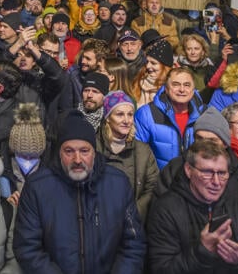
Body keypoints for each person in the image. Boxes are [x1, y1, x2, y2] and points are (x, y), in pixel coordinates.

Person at [13, 111, 145, 273]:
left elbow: (133, 244)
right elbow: (27, 248)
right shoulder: (37, 187)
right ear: (59, 153)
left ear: (94, 153)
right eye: (69, 151)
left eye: (84, 151)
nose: (77, 159)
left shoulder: (117, 184)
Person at [146, 140, 238, 273]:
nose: (216, 182)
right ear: (189, 170)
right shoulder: (166, 210)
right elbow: (161, 269)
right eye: (207, 172)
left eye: (222, 173)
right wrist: (202, 252)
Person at [97, 90, 158, 219]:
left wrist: (134, 212)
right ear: (107, 118)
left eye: (130, 115)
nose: (126, 120)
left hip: (133, 221)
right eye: (119, 114)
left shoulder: (143, 151)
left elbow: (152, 187)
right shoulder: (93, 147)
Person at [135, 66, 205, 169]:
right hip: (160, 181)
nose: (182, 89)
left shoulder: (204, 114)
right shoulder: (147, 114)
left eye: (187, 85)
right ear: (166, 88)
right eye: (176, 84)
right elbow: (138, 155)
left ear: (193, 89)